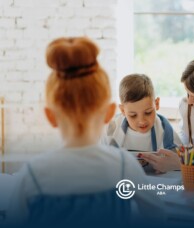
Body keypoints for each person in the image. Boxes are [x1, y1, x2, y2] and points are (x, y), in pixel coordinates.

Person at [7, 37, 165, 227]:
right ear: (109, 112)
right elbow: (157, 217)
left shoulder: (32, 175)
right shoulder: (124, 167)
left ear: (50, 116)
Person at [100, 74, 182, 173]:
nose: (142, 121)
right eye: (133, 115)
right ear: (122, 110)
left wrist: (171, 165)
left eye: (148, 112)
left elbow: (182, 161)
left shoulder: (164, 129)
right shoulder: (111, 128)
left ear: (156, 104)